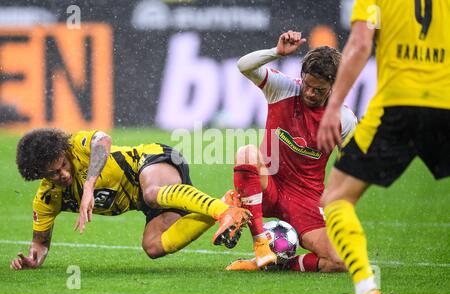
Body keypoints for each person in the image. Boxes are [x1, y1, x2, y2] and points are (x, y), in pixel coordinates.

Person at [317, 0, 450, 294]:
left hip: (398, 107)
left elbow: (361, 43)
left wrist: (334, 105)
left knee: (336, 198)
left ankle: (366, 288)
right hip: (446, 103)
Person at [10, 129, 251, 270]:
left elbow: (102, 139)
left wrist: (88, 186)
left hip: (152, 159)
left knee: (151, 192)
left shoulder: (75, 145)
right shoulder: (47, 198)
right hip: (146, 201)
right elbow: (40, 244)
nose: (62, 174)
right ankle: (226, 202)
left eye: (63, 165)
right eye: (53, 173)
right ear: (39, 175)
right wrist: (34, 259)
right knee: (153, 247)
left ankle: (225, 212)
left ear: (64, 153)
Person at [225, 30, 358, 273]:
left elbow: (352, 168)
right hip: (268, 186)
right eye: (307, 84)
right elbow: (244, 65)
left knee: (340, 261)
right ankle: (261, 243)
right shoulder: (282, 89)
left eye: (318, 90)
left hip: (306, 198)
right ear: (302, 77)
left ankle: (277, 264)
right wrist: (277, 52)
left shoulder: (344, 119)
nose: (309, 93)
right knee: (247, 153)